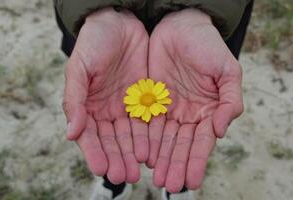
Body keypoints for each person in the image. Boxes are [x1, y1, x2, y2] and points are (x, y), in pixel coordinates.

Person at [54, 0, 253, 199]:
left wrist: (198, 11)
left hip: (208, 19)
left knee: (194, 117)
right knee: (102, 109)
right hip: (102, 28)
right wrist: (98, 11)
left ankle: (178, 183)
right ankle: (113, 181)